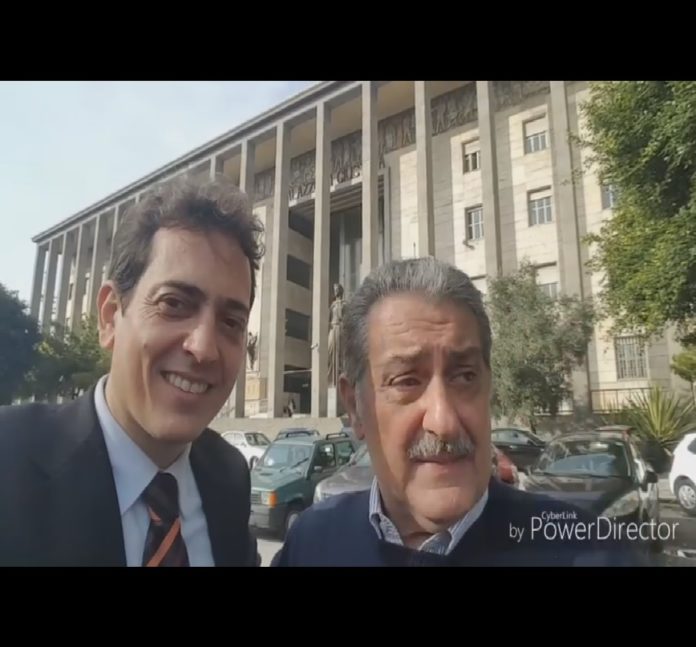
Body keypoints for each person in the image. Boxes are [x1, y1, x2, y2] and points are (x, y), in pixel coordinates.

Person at [272, 257, 651, 566]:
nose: (444, 422)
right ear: (355, 406)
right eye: (406, 381)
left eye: (465, 376)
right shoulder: (311, 542)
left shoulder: (592, 552)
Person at [0, 175, 264, 566]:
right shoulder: (9, 461)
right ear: (110, 316)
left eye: (231, 322)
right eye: (174, 304)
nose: (204, 348)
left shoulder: (229, 477)